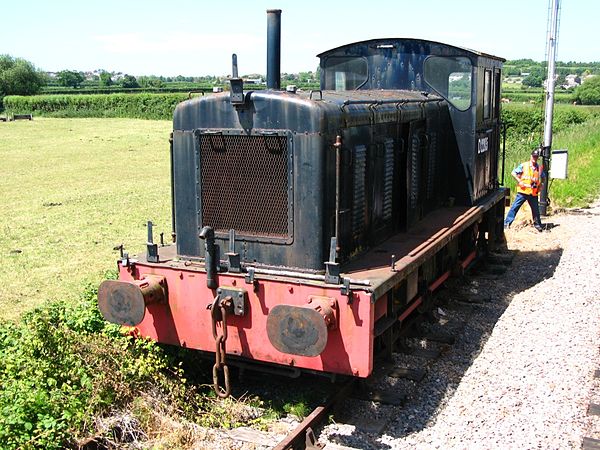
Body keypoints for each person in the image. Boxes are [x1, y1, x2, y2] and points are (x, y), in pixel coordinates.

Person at [504, 148, 545, 232]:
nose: (535, 158)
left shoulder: (539, 168)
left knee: (536, 210)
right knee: (515, 208)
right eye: (533, 156)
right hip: (523, 192)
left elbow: (543, 177)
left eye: (536, 157)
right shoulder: (524, 165)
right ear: (531, 156)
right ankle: (506, 224)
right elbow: (513, 173)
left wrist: (541, 185)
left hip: (533, 193)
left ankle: (538, 225)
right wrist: (520, 181)